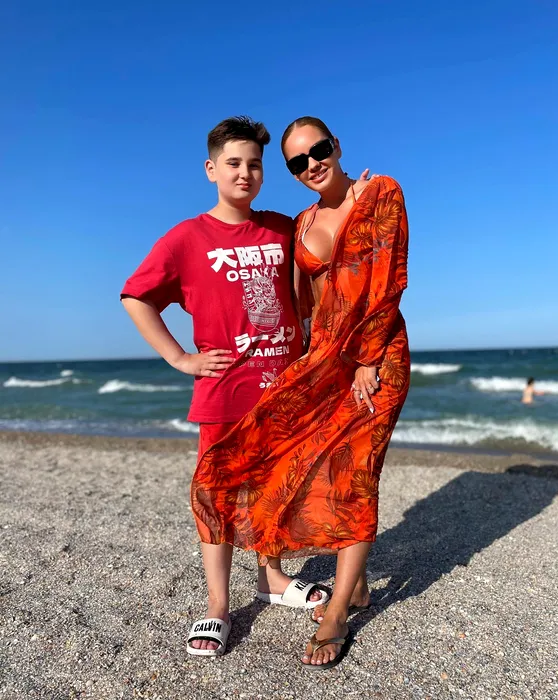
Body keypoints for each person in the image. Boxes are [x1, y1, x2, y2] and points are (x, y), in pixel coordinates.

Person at [192, 116, 410, 669]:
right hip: (324, 361)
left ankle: (337, 612)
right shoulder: (304, 221)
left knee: (357, 474)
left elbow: (388, 283)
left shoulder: (381, 192)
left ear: (336, 145)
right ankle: (354, 583)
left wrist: (367, 360)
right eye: (297, 161)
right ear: (291, 172)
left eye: (319, 150)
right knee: (310, 467)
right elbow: (300, 300)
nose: (312, 163)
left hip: (377, 359)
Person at [120, 116, 329, 658]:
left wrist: (357, 192)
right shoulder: (187, 238)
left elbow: (331, 239)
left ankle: (272, 579)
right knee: (217, 497)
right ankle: (217, 604)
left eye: (254, 164)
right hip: (224, 393)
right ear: (211, 169)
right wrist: (179, 357)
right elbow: (136, 296)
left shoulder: (282, 228)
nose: (245, 173)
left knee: (274, 488)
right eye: (233, 163)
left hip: (283, 390)